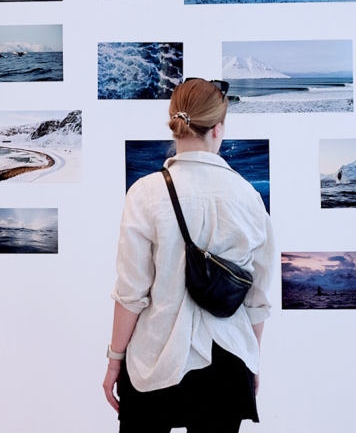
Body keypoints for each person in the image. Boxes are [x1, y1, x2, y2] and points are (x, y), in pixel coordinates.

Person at [102, 78, 276, 433]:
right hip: (228, 361)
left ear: (175, 122)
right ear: (217, 128)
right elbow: (256, 298)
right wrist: (251, 360)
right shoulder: (249, 198)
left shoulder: (145, 192)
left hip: (155, 362)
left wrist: (114, 360)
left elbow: (131, 293)